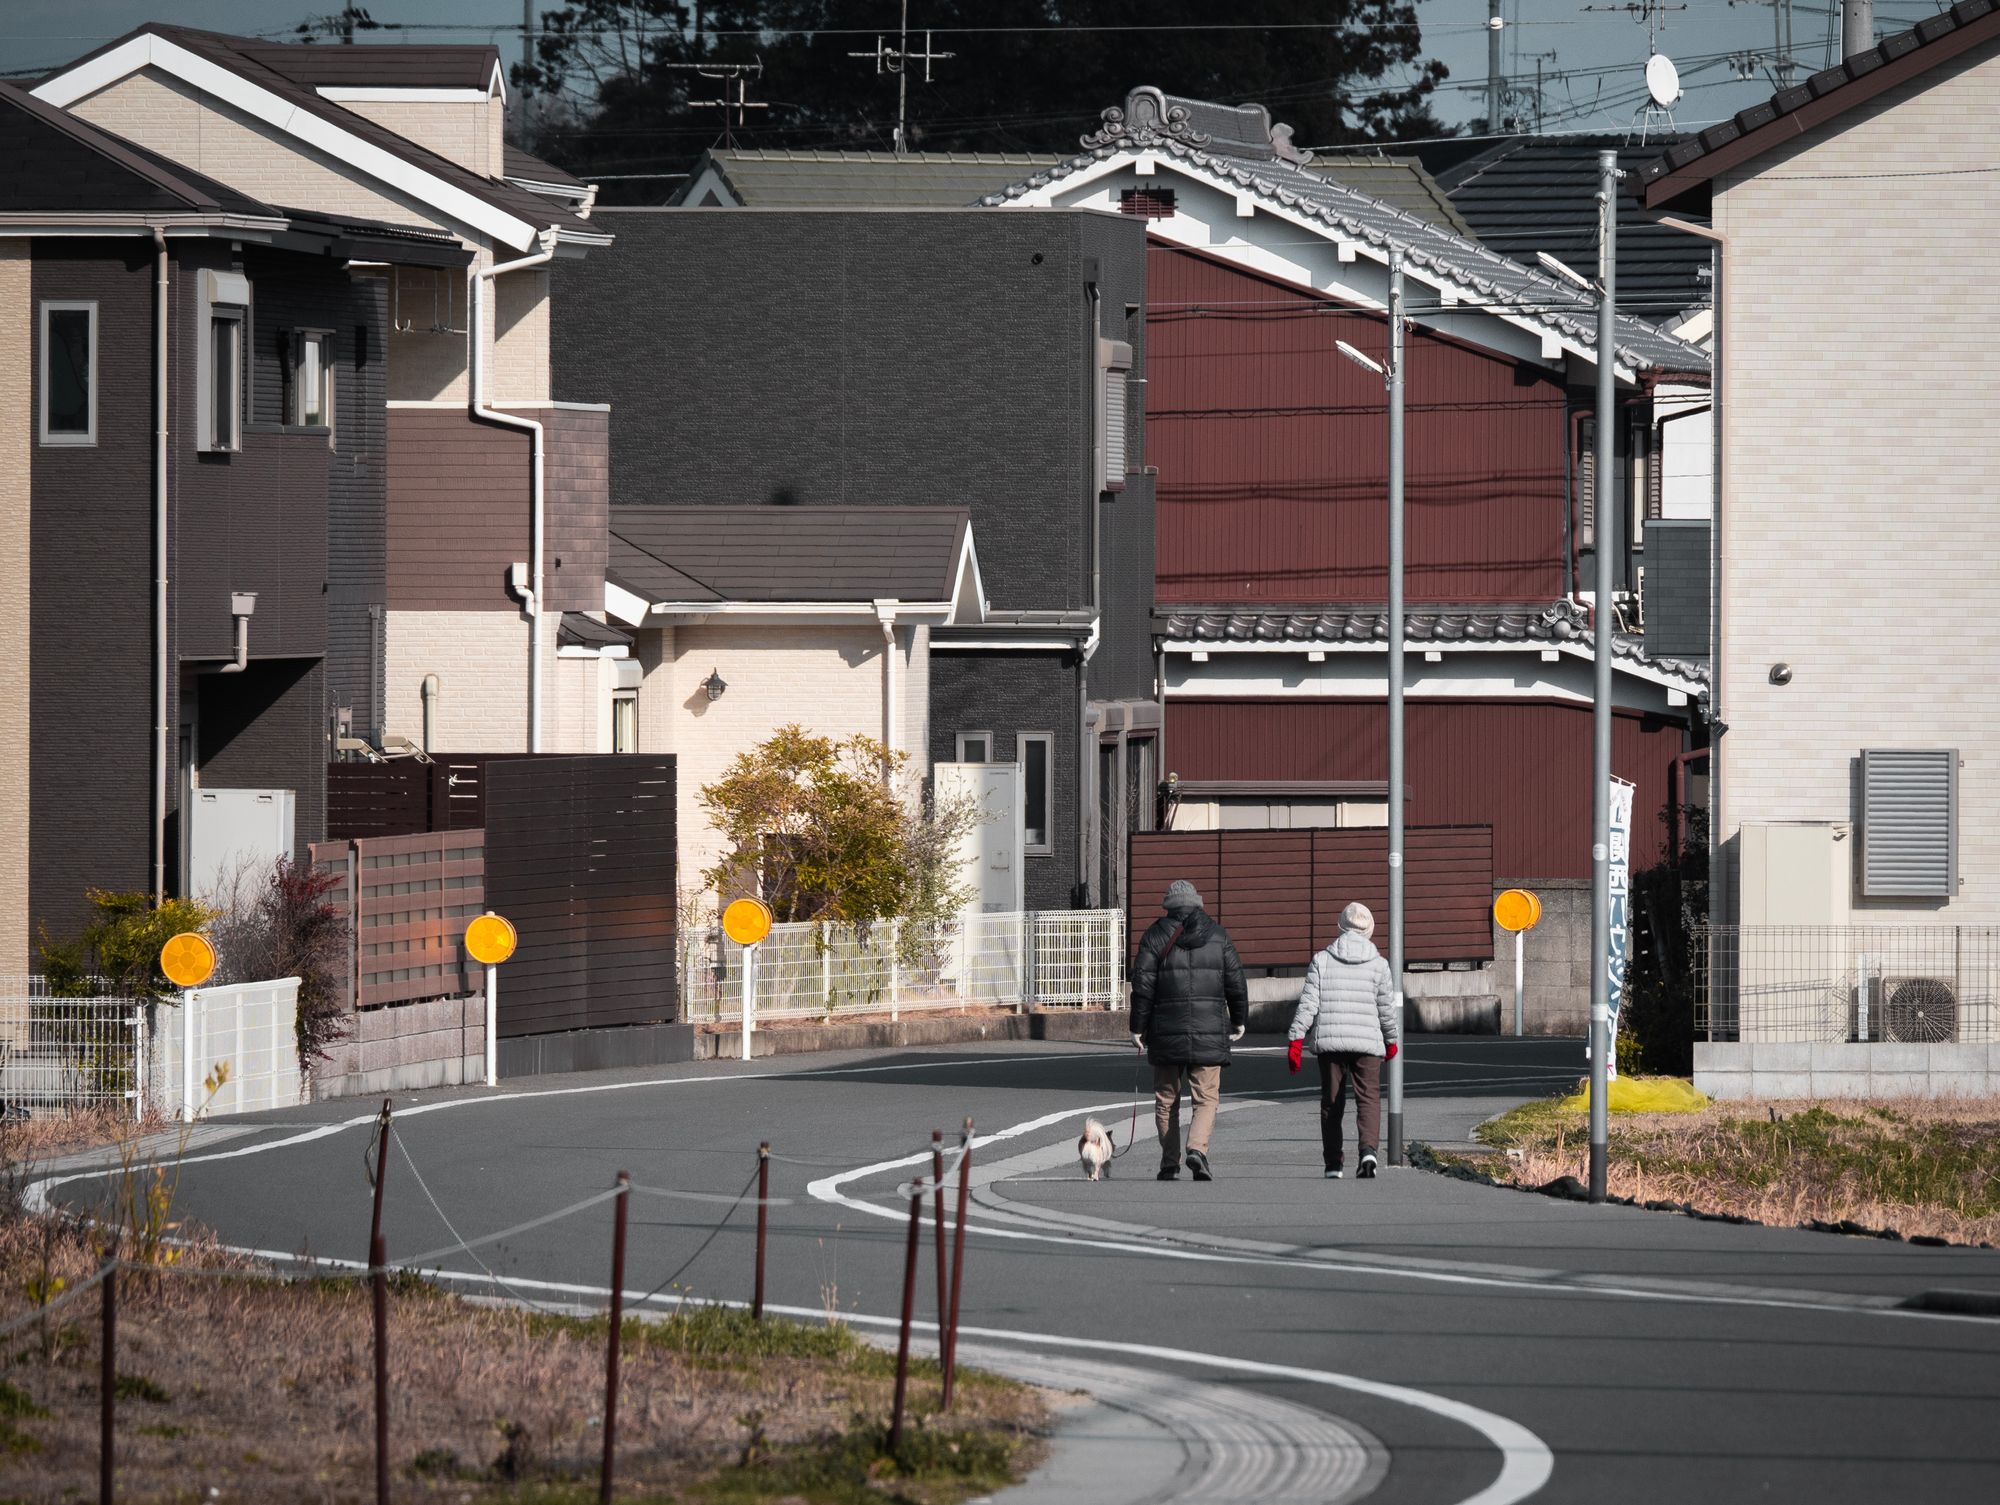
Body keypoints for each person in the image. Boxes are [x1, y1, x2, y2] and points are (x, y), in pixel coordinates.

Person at [1130, 880, 1248, 1182]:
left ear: (1168, 906)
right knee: (1206, 1097)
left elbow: (1143, 986)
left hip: (1166, 1029)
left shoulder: (1155, 936)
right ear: (1198, 904)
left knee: (1166, 1099)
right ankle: (1197, 1149)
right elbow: (1236, 982)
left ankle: (1170, 1163)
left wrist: (1137, 1028)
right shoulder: (1219, 936)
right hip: (1209, 1029)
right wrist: (1239, 1019)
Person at [1287, 901, 1400, 1180]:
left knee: (1332, 1102)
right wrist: (1391, 1039)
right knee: (1369, 1099)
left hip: (1331, 1044)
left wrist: (1296, 1038)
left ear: (1340, 926)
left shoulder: (1321, 960)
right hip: (1367, 1045)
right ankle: (1368, 1152)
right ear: (1370, 929)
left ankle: (1333, 1163)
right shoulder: (1379, 964)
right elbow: (1386, 1009)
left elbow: (1308, 1004)